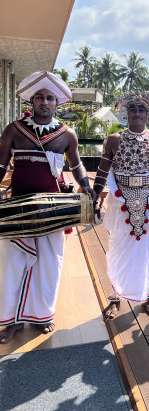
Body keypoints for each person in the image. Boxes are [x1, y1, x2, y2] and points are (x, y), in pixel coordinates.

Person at [0, 70, 95, 344]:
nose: (44, 102)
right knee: (12, 264)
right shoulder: (14, 130)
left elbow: (76, 165)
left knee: (49, 263)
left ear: (57, 103)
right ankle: (11, 321)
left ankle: (42, 315)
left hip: (55, 209)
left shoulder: (67, 135)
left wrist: (85, 186)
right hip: (18, 208)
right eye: (39, 97)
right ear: (31, 101)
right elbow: (1, 165)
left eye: (49, 97)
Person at [93, 91, 149, 318]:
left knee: (147, 251)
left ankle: (146, 294)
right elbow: (102, 172)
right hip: (120, 203)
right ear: (125, 113)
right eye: (132, 109)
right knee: (117, 249)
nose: (137, 113)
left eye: (142, 110)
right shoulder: (113, 140)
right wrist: (94, 200)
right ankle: (116, 296)